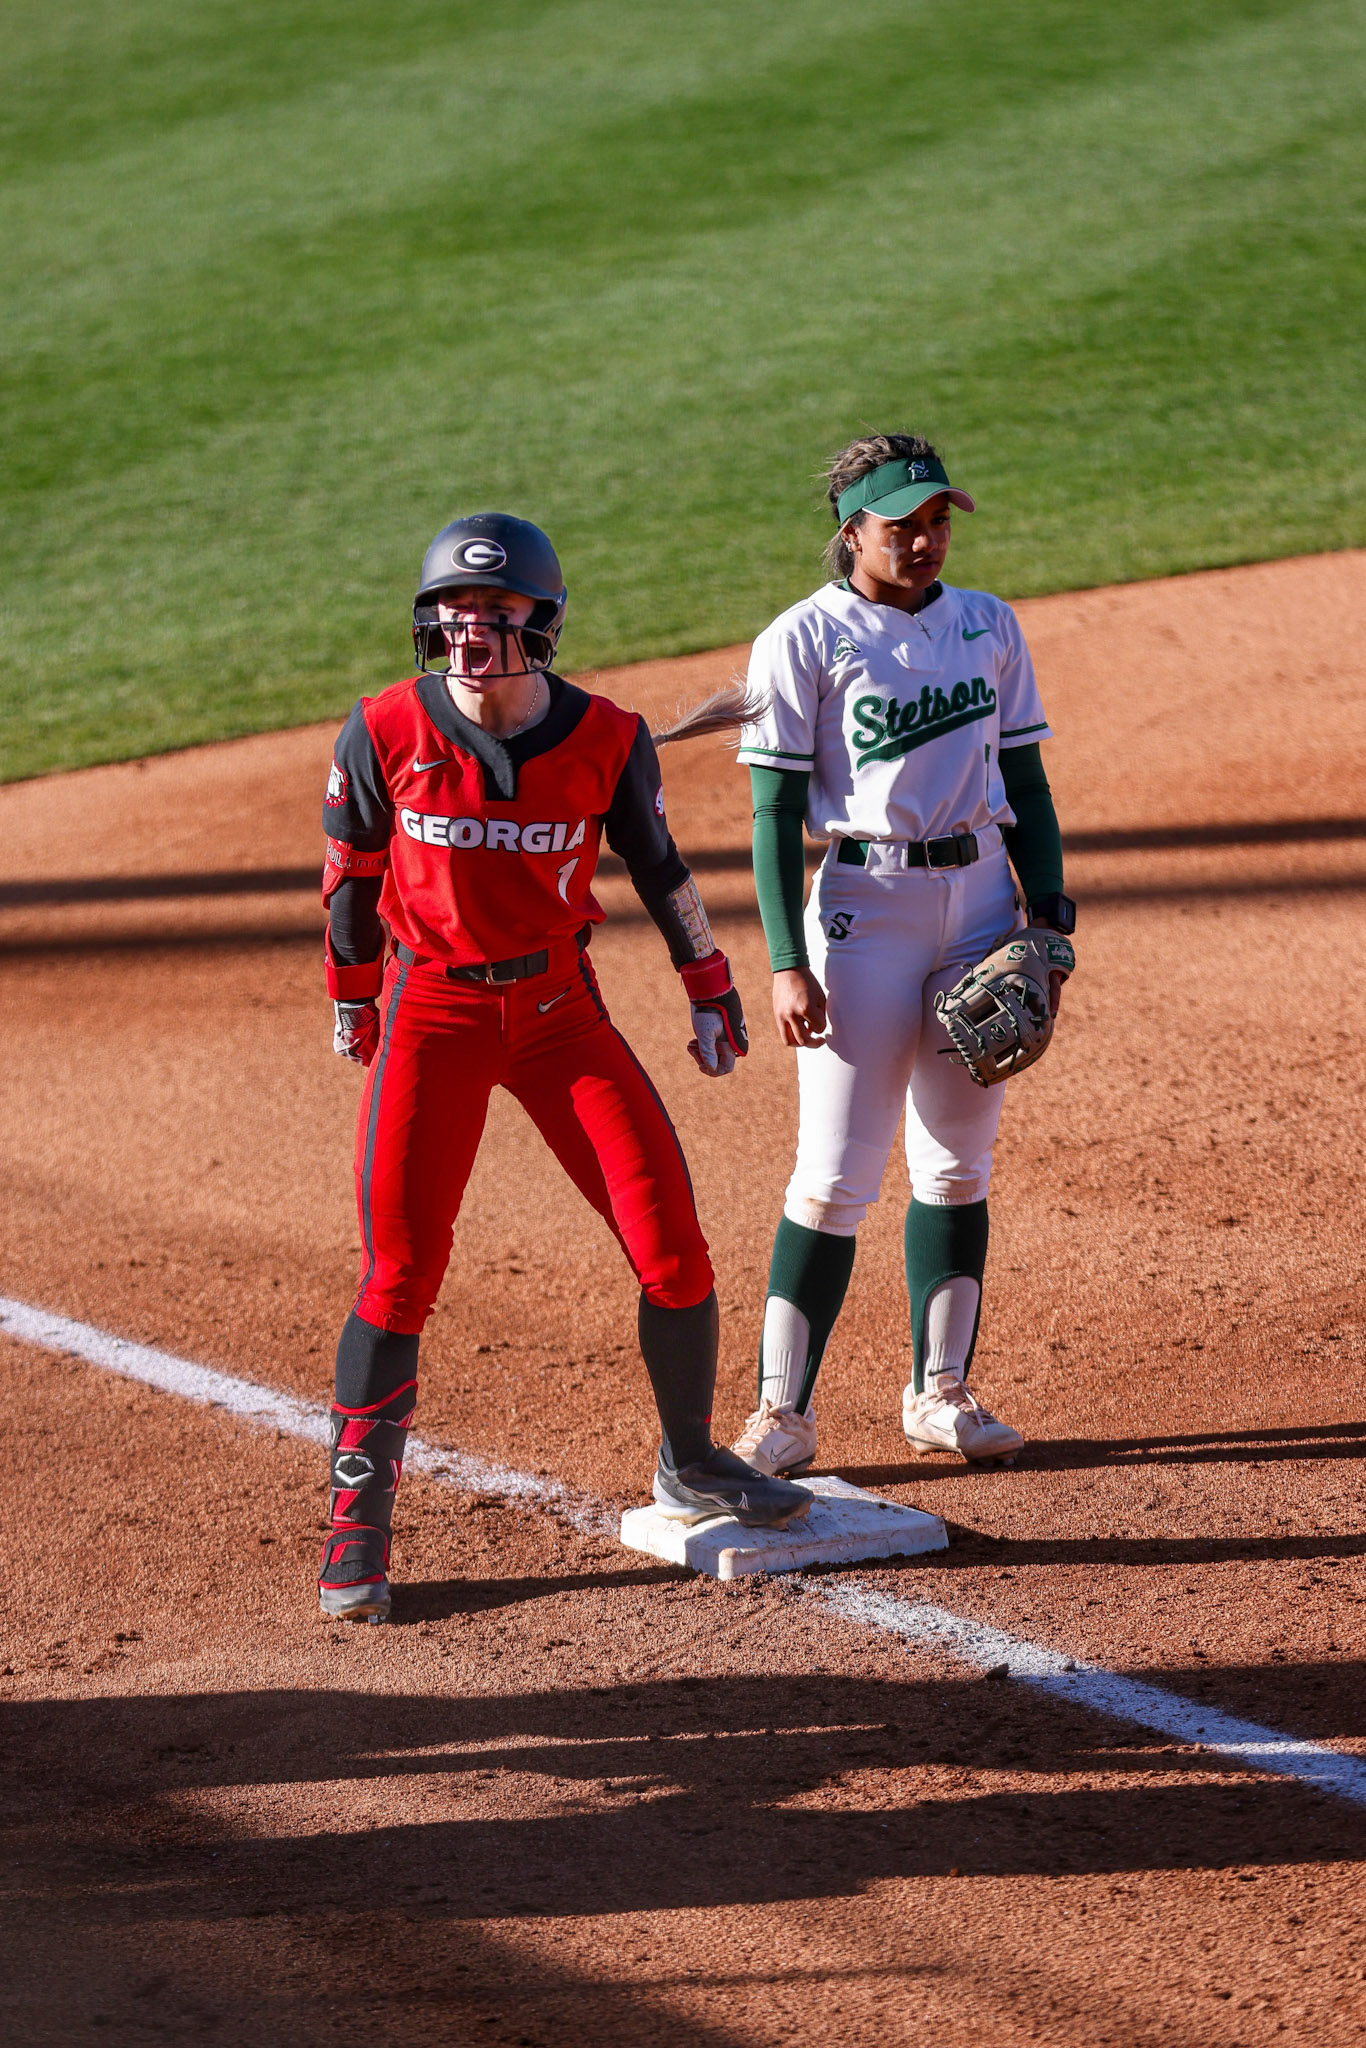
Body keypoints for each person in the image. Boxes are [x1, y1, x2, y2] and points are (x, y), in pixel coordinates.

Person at [317, 513, 811, 1622]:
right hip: (431, 1014)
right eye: (452, 611)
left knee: (673, 1247)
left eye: (493, 612)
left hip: (557, 1017)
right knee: (400, 1273)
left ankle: (690, 1457)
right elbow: (351, 876)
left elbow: (660, 868)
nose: (468, 630)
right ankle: (357, 1526)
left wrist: (709, 983)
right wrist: (353, 999)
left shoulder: (608, 738)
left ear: (541, 623)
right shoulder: (383, 728)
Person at [728, 434, 1074, 1477]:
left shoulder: (988, 623)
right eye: (901, 525)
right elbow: (773, 811)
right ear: (851, 531)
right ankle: (780, 1414)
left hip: (980, 902)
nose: (924, 541)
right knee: (834, 1176)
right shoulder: (802, 638)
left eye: (935, 522)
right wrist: (785, 961)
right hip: (863, 911)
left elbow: (1026, 780)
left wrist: (1049, 915)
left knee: (957, 1166)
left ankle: (941, 1393)